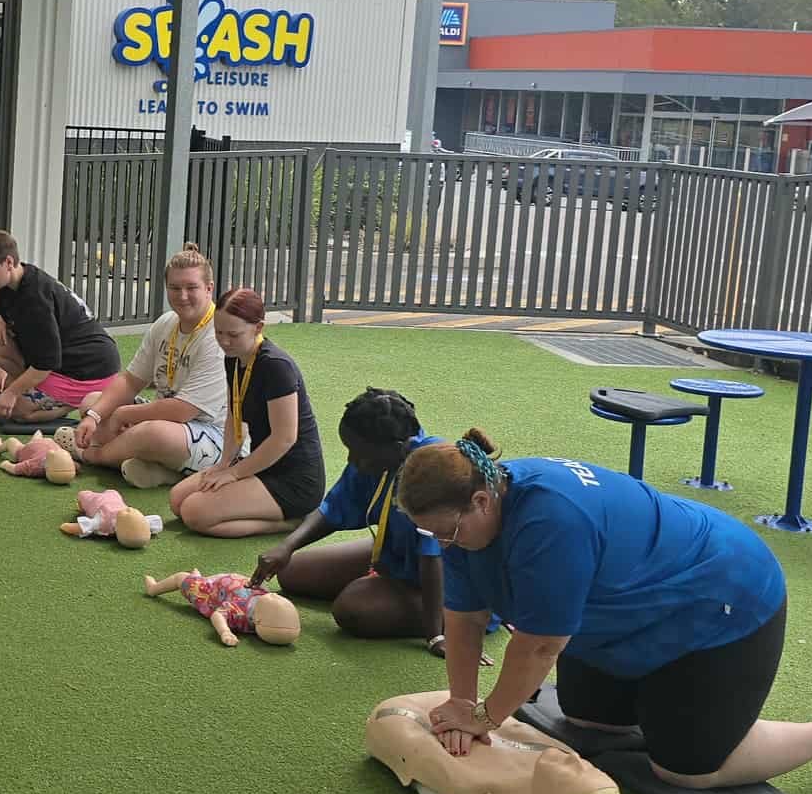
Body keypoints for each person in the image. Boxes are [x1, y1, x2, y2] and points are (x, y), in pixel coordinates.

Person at [396, 430, 812, 789]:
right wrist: (461, 703)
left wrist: (484, 718)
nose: (443, 543)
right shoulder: (465, 522)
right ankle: (666, 701)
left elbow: (540, 647)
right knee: (588, 721)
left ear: (481, 501)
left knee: (687, 769)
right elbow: (464, 619)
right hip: (630, 607)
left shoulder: (551, 522)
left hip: (722, 599)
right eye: (431, 533)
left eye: (446, 531)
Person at [249, 388, 492, 663]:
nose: (352, 461)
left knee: (352, 609)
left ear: (397, 447)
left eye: (358, 453)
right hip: (397, 554)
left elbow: (431, 557)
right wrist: (287, 546)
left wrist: (436, 635)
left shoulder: (430, 468)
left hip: (447, 578)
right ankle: (385, 591)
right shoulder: (380, 454)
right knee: (290, 571)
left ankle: (466, 616)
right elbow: (335, 506)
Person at [66, 245, 226, 489]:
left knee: (152, 434)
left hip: (215, 434)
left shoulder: (218, 335)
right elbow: (131, 381)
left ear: (209, 288)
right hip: (166, 421)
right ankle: (159, 469)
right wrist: (94, 416)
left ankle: (93, 456)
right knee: (92, 402)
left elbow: (182, 411)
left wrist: (123, 415)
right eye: (175, 288)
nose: (182, 296)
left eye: (191, 287)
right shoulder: (166, 323)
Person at [169, 288, 323, 538]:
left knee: (194, 512)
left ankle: (291, 522)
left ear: (258, 327)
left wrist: (235, 473)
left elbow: (284, 438)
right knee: (177, 500)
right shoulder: (234, 357)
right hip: (261, 463)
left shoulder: (276, 366)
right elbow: (234, 415)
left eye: (233, 334)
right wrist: (224, 464)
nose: (224, 341)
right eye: (219, 332)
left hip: (294, 479)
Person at [0, 230, 120, 424]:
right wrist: (1, 318)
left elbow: (46, 363)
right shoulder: (12, 282)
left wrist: (11, 392)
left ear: (8, 262)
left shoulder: (35, 301)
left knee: (16, 411)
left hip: (90, 369)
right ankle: (39, 393)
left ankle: (76, 401)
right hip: (65, 361)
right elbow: (5, 311)